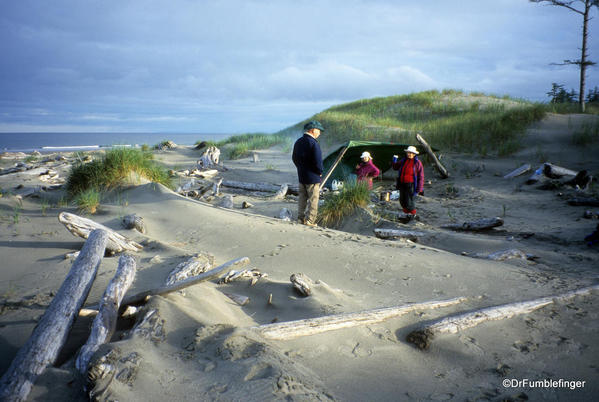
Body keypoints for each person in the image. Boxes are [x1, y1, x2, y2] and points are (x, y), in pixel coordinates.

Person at [292, 120, 324, 226]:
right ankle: (310, 220)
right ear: (312, 130)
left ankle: (300, 219)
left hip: (302, 175)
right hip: (313, 176)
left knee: (302, 198)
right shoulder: (313, 143)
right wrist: (319, 172)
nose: (319, 133)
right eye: (318, 130)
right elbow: (318, 161)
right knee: (313, 200)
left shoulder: (298, 141)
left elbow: (294, 158)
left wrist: (301, 168)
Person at [392, 145, 424, 220]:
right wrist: (394, 160)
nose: (409, 154)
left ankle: (414, 216)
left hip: (411, 185)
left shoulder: (417, 163)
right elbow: (395, 167)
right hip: (402, 183)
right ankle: (407, 216)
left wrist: (419, 188)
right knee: (402, 201)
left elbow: (421, 176)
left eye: (411, 153)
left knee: (409, 201)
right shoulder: (404, 160)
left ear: (414, 154)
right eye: (408, 152)